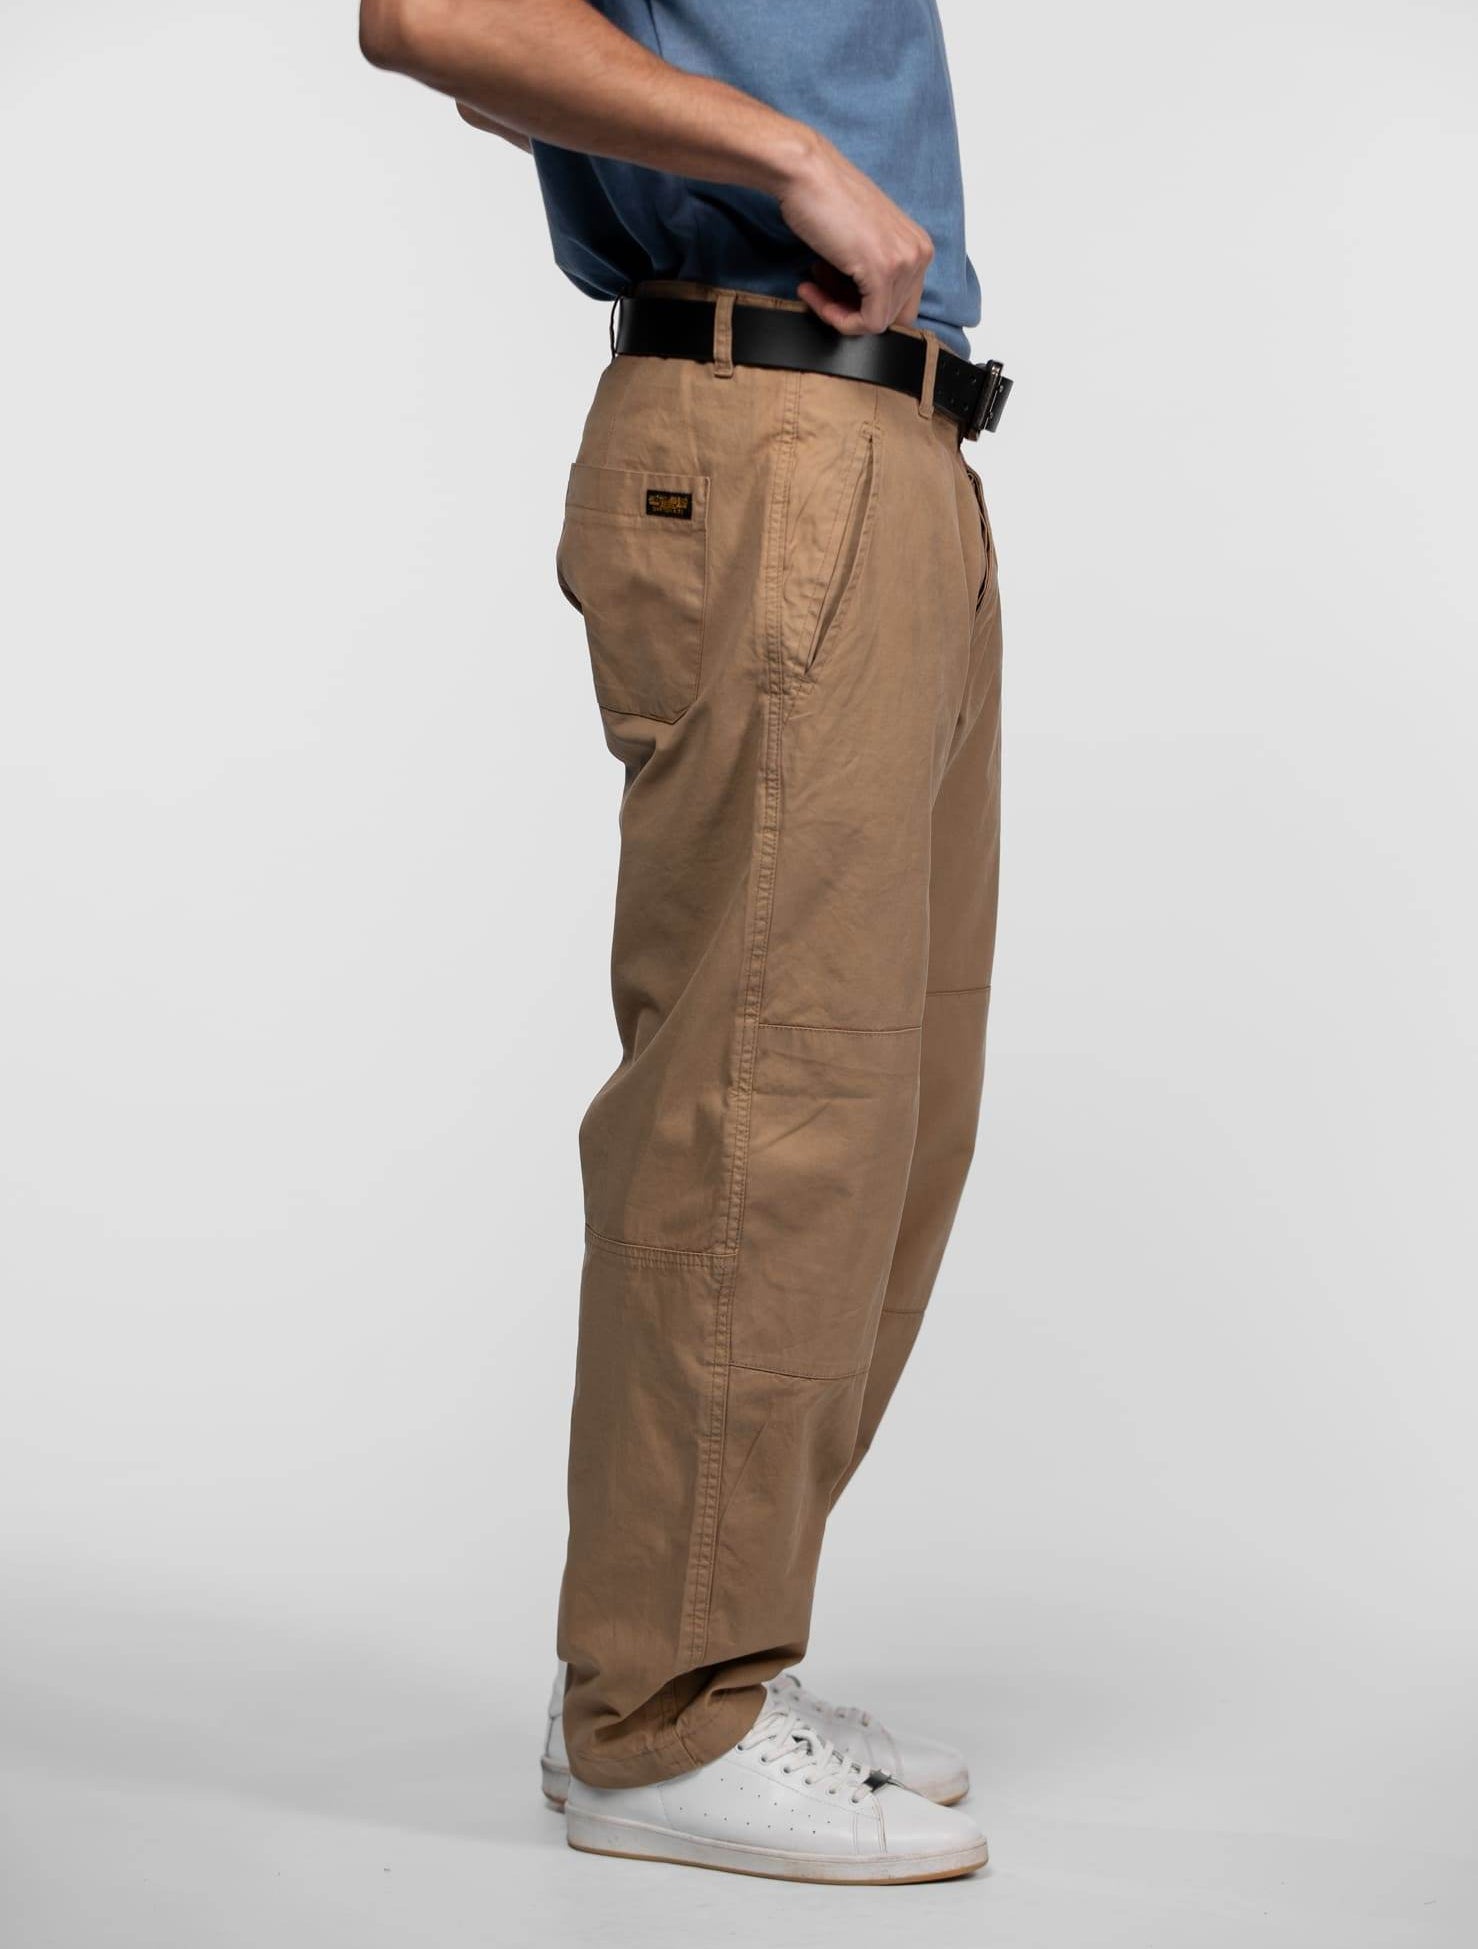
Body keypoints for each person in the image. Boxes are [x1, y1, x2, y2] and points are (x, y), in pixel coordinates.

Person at [360, 0, 1007, 1886]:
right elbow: (440, 14)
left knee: (891, 1101)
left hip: (880, 440)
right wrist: (783, 158)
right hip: (778, 432)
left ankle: (716, 1649)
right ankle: (660, 1718)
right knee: (767, 1095)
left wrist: (647, 126)